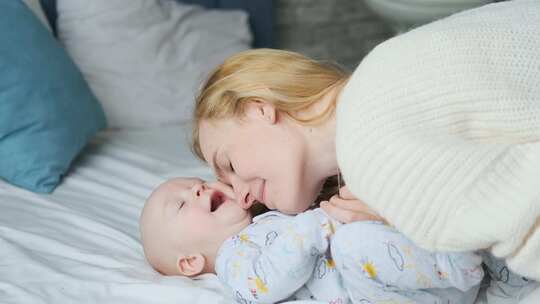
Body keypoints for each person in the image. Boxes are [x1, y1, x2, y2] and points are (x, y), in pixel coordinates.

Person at [191, 0, 540, 288]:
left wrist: (409, 211)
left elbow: (526, 221)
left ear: (259, 110)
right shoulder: (378, 82)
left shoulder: (367, 137)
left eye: (231, 166)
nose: (241, 197)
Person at [139, 177, 484, 303]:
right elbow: (263, 286)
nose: (197, 188)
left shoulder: (264, 219)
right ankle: (458, 264)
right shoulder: (233, 260)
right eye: (182, 203)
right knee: (353, 244)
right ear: (190, 262)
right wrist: (318, 225)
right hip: (371, 293)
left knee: (369, 233)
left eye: (195, 181)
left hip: (411, 281)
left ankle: (485, 271)